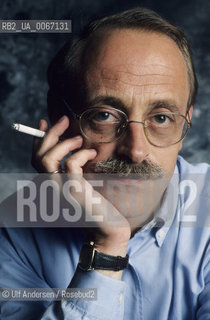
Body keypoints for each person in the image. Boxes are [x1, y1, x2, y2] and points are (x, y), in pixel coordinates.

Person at [0, 7, 210, 320]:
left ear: (186, 124)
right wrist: (107, 249)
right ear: (61, 120)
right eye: (105, 115)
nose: (136, 151)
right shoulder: (12, 233)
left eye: (162, 118)